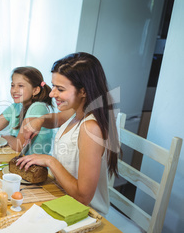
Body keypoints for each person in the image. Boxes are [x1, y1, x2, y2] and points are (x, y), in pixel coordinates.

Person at [16, 53, 119, 215]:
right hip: (63, 196)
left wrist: (50, 161)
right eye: (53, 86)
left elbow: (83, 197)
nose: (51, 94)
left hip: (85, 212)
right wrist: (40, 120)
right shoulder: (75, 110)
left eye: (60, 89)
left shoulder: (90, 129)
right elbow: (55, 120)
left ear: (83, 91)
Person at [0, 66, 55, 154]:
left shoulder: (37, 108)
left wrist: (6, 137)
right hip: (19, 159)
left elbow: (18, 146)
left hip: (35, 165)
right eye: (12, 85)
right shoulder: (16, 106)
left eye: (20, 86)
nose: (14, 90)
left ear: (35, 90)